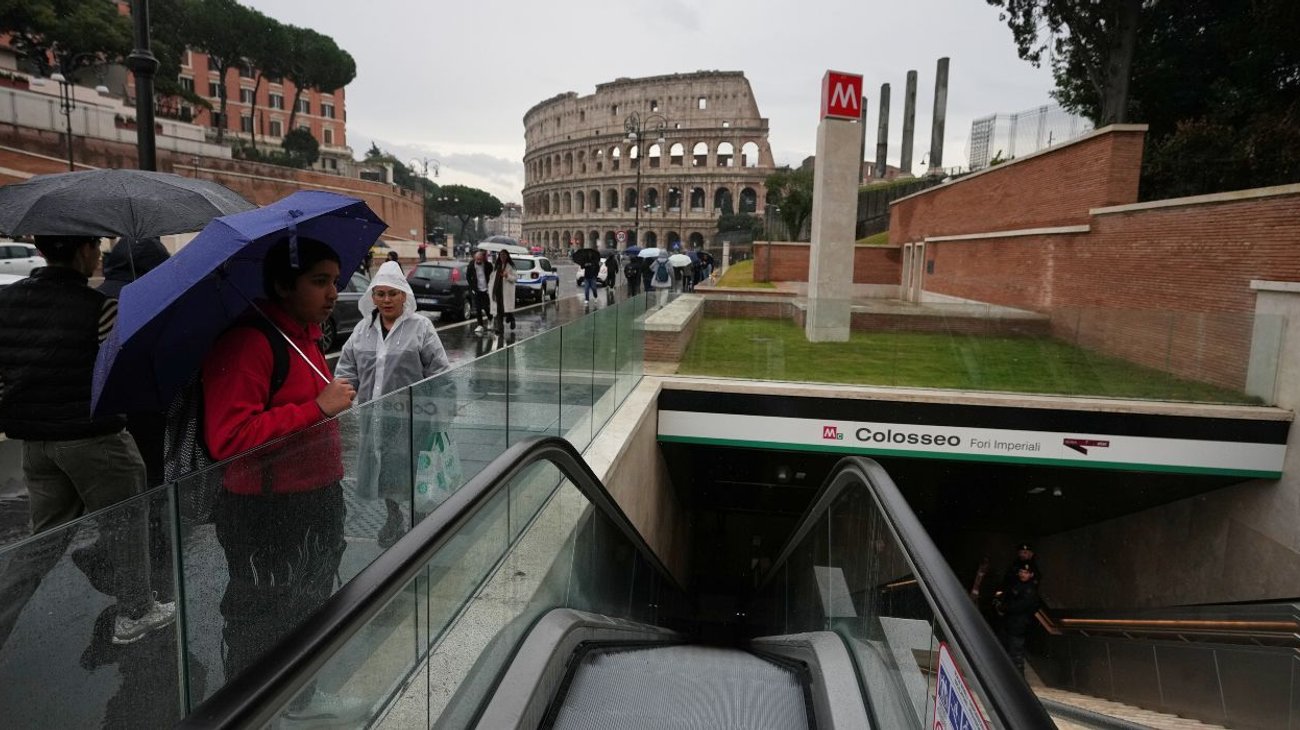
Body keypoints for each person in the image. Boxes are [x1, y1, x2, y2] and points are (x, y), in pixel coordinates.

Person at [201, 237, 362, 722]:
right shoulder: (251, 341)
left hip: (314, 497)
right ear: (281, 285)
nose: (334, 292)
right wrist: (316, 408)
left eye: (335, 281)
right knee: (262, 614)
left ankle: (299, 699)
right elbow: (229, 439)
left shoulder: (306, 335)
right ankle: (249, 710)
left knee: (309, 605)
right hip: (265, 512)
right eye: (319, 282)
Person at [0, 235, 174, 648]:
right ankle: (135, 611)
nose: (98, 255)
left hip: (36, 443)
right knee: (127, 524)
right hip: (95, 441)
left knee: (42, 541)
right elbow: (117, 374)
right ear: (81, 252)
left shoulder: (5, 303)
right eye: (95, 247)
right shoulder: (98, 307)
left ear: (42, 250)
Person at [335, 261, 451, 548]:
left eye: (392, 294)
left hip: (415, 416)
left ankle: (420, 514)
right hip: (375, 416)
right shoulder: (362, 331)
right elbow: (346, 369)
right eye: (380, 294)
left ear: (404, 296)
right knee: (383, 467)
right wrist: (344, 396)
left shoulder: (421, 328)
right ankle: (394, 515)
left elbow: (440, 371)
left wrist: (442, 411)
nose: (386, 300)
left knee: (414, 465)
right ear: (372, 296)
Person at [995, 562, 1041, 674]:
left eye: (1026, 572)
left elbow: (1020, 606)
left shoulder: (1030, 590)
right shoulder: (1016, 584)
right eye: (1021, 571)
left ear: (1031, 574)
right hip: (1008, 623)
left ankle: (1018, 678)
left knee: (1015, 654)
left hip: (1019, 625)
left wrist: (1004, 607)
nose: (1022, 574)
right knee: (1003, 650)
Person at [489, 249, 517, 335]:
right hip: (497, 291)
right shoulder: (497, 266)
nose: (502, 257)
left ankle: (512, 319)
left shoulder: (510, 266)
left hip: (506, 292)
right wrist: (490, 288)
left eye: (504, 255)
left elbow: (515, 278)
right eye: (501, 255)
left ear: (507, 256)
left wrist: (507, 275)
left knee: (507, 310)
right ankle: (500, 329)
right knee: (499, 311)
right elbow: (492, 278)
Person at [465, 249, 493, 334]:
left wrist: (490, 287)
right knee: (478, 308)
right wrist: (472, 288)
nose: (478, 261)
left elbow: (492, 276)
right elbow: (468, 277)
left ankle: (490, 319)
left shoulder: (488, 265)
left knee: (486, 307)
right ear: (474, 258)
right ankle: (480, 325)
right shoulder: (471, 265)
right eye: (477, 259)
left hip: (486, 289)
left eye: (480, 259)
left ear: (483, 258)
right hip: (476, 289)